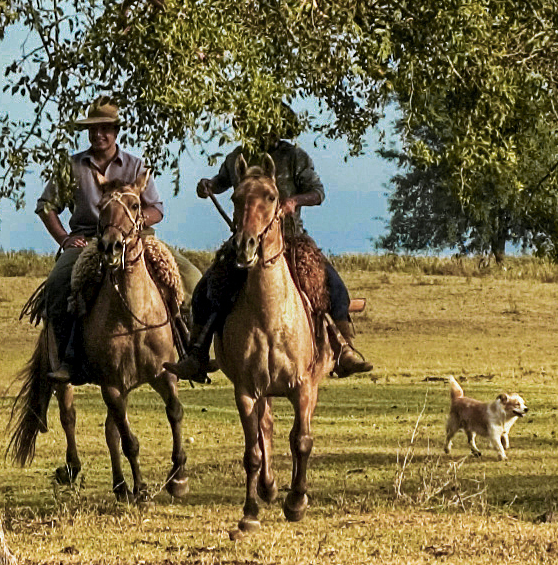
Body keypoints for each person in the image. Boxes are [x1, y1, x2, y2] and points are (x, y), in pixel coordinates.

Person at [174, 114, 372, 380]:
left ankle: (343, 350)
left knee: (333, 286)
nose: (260, 129)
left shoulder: (295, 158)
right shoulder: (236, 158)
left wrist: (293, 202)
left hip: (291, 240)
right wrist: (208, 186)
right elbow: (221, 183)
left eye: (265, 123)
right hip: (244, 241)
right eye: (253, 124)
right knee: (206, 291)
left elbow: (317, 192)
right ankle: (196, 353)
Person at [31, 97, 168, 383]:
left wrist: (138, 221)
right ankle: (69, 358)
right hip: (88, 240)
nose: (98, 135)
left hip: (135, 238)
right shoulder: (73, 166)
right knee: (59, 284)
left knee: (186, 277)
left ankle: (188, 349)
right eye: (93, 130)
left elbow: (156, 208)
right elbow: (46, 206)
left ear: (116, 131)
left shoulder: (135, 165)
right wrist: (65, 239)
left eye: (105, 128)